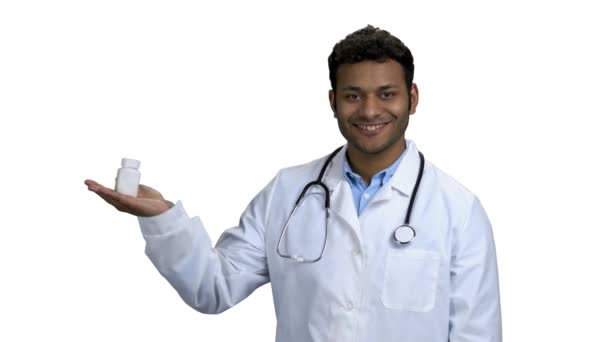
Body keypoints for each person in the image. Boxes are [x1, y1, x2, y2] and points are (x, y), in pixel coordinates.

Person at [85, 25, 502, 342]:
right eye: (353, 95)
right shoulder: (289, 192)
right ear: (333, 101)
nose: (370, 110)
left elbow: (477, 335)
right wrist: (165, 221)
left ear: (412, 98)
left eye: (386, 94)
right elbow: (212, 289)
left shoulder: (457, 210)